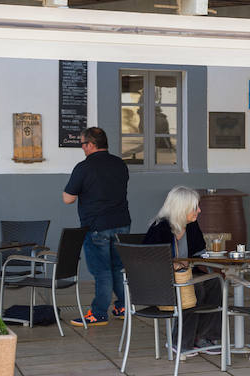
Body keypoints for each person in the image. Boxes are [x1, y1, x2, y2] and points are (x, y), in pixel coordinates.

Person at [63, 127, 131, 327]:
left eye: (83, 144)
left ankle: (99, 313)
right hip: (122, 223)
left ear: (91, 144)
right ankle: (123, 307)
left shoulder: (84, 167)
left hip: (96, 226)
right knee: (118, 268)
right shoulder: (120, 164)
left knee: (101, 271)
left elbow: (68, 198)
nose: (82, 148)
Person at [143, 186, 221, 357]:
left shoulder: (191, 226)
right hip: (162, 283)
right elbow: (149, 261)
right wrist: (173, 265)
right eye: (195, 207)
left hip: (186, 276)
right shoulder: (160, 229)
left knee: (214, 282)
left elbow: (199, 251)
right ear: (182, 208)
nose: (199, 211)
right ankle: (181, 341)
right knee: (194, 288)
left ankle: (204, 337)